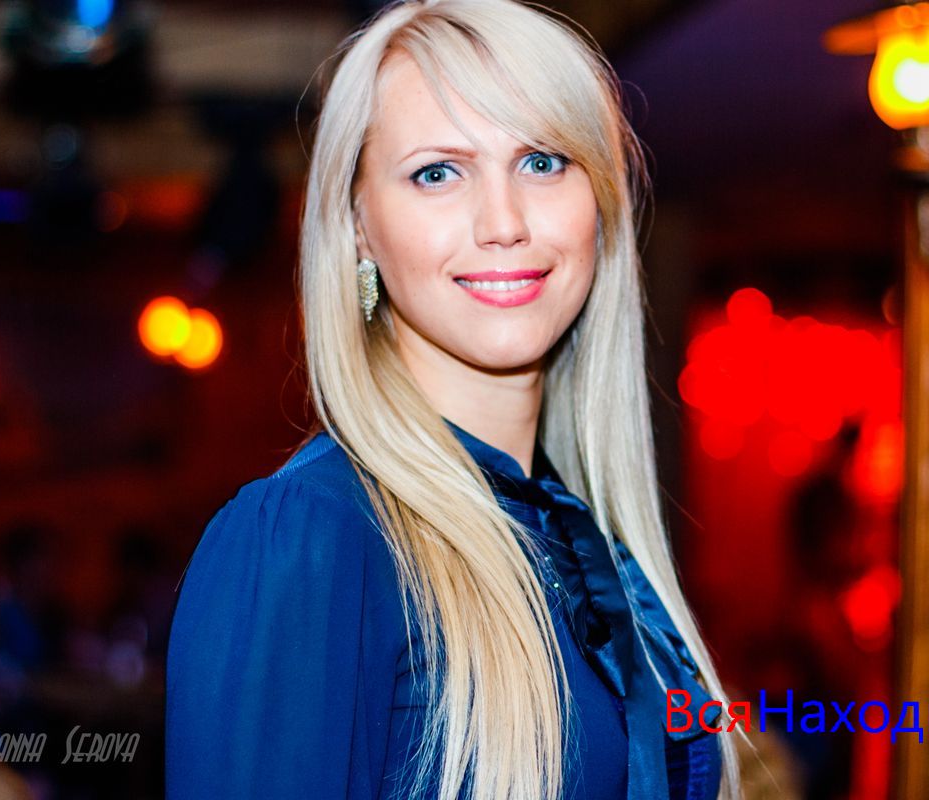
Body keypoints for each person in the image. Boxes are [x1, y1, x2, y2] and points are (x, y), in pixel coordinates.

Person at [165, 0, 742, 797]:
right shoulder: (316, 539)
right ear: (359, 225)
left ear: (600, 202)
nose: (503, 222)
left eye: (543, 161)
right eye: (437, 172)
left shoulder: (577, 540)